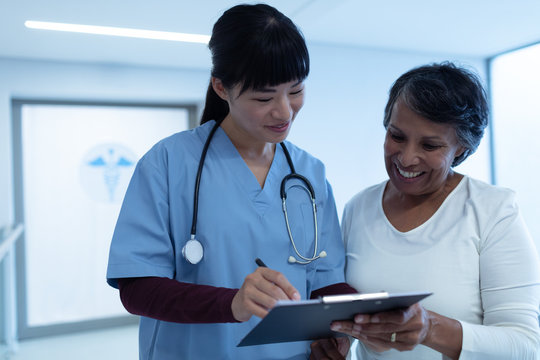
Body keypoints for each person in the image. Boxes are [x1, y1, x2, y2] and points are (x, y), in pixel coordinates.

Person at [106, 4, 355, 360]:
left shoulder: (309, 173)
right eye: (264, 97)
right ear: (221, 88)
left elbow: (324, 281)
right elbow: (136, 289)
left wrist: (351, 322)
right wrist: (233, 303)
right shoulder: (167, 163)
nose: (285, 111)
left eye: (296, 90)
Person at [313, 62, 540, 359]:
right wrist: (340, 341)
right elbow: (359, 325)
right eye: (397, 136)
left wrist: (430, 329)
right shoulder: (358, 207)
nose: (407, 159)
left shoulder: (493, 210)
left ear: (460, 147)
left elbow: (525, 346)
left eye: (430, 145)